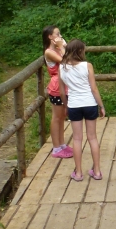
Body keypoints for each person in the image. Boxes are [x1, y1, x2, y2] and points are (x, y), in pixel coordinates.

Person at [59, 39, 106, 182]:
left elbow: (62, 92)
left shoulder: (62, 68)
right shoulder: (87, 66)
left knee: (77, 139)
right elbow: (94, 88)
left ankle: (78, 173)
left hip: (74, 105)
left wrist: (66, 106)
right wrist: (101, 105)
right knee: (92, 137)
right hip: (89, 103)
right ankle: (96, 171)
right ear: (80, 51)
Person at [42, 26, 72, 159]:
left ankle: (62, 144)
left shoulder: (58, 49)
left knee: (62, 116)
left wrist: (63, 46)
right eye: (57, 34)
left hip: (65, 85)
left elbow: (71, 58)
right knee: (57, 117)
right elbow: (66, 61)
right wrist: (61, 46)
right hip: (56, 87)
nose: (60, 36)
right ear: (50, 36)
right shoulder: (49, 52)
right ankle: (56, 147)